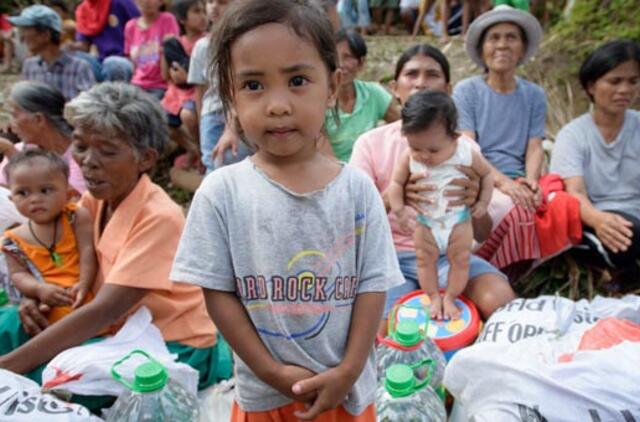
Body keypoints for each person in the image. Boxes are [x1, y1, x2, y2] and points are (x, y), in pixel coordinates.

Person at [170, 1, 402, 421]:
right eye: (254, 86)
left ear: (331, 87)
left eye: (297, 80)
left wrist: (349, 369)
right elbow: (217, 292)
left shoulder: (356, 189)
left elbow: (372, 285)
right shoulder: (221, 192)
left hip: (345, 394)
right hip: (265, 396)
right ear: (230, 96)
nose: (277, 105)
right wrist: (271, 370)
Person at [0, 83, 231, 401]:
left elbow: (104, 311)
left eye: (107, 151)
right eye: (80, 146)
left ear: (145, 159)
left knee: (46, 382)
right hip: (113, 327)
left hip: (168, 343)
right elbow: (70, 271)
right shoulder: (95, 201)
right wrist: (36, 298)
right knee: (11, 324)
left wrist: (8, 367)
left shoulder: (158, 217)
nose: (88, 161)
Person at [350, 44, 516, 331]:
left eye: (432, 75)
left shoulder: (465, 149)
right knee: (385, 328)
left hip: (448, 255)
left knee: (501, 301)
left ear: (448, 90)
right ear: (394, 88)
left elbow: (482, 232)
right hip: (390, 261)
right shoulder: (371, 144)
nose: (421, 82)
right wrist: (395, 195)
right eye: (411, 74)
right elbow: (354, 224)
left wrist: (476, 203)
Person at [388, 91, 493, 320]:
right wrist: (399, 210)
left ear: (454, 136)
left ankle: (450, 297)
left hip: (458, 221)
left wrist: (483, 202)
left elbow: (487, 176)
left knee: (460, 260)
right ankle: (434, 296)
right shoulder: (408, 157)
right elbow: (396, 183)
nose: (423, 156)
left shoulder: (467, 153)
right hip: (426, 223)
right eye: (416, 147)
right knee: (425, 260)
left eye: (433, 150)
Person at [550, 40, 640, 291]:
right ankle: (623, 270)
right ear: (591, 86)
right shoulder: (574, 135)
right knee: (627, 237)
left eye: (633, 81)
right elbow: (574, 192)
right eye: (614, 81)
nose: (625, 89)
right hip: (595, 219)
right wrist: (599, 220)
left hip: (634, 215)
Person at [453, 5, 545, 213]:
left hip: (520, 178)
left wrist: (530, 182)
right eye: (494, 38)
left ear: (522, 47)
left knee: (559, 206)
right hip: (479, 177)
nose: (502, 45)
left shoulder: (534, 95)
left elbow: (535, 146)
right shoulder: (467, 91)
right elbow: (468, 147)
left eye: (511, 38)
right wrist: (504, 183)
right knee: (507, 208)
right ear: (482, 48)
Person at [3, 150, 97, 325]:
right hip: (48, 308)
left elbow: (87, 251)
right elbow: (18, 275)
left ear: (68, 193)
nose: (35, 199)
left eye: (45, 190)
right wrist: (39, 289)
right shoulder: (11, 241)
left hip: (83, 297)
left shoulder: (75, 217)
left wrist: (84, 284)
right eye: (22, 193)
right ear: (11, 198)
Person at [0, 81, 86, 197]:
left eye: (15, 116)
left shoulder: (80, 155)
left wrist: (13, 155)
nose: (11, 124)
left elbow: (70, 201)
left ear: (38, 119)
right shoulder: (21, 148)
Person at [325, 29, 400, 162]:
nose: (341, 65)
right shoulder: (320, 100)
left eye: (347, 57)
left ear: (361, 63)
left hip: (370, 171)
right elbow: (321, 150)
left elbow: (403, 126)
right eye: (335, 58)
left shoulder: (374, 93)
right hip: (333, 172)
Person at [9, 5, 95, 101]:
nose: (22, 36)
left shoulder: (79, 67)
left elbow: (89, 108)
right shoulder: (29, 66)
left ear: (46, 35)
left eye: (27, 30)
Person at [161, 0, 206, 172]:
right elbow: (165, 75)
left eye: (203, 11)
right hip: (177, 93)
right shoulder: (176, 43)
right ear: (182, 19)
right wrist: (163, 50)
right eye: (196, 12)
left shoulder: (207, 42)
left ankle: (203, 152)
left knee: (188, 115)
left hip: (198, 91)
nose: (203, 16)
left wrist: (187, 76)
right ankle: (192, 149)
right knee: (163, 120)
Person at [125, 0, 180, 100]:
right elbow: (130, 61)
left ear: (161, 2)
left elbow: (173, 53)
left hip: (160, 86)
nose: (146, 2)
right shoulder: (130, 26)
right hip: (136, 85)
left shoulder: (168, 20)